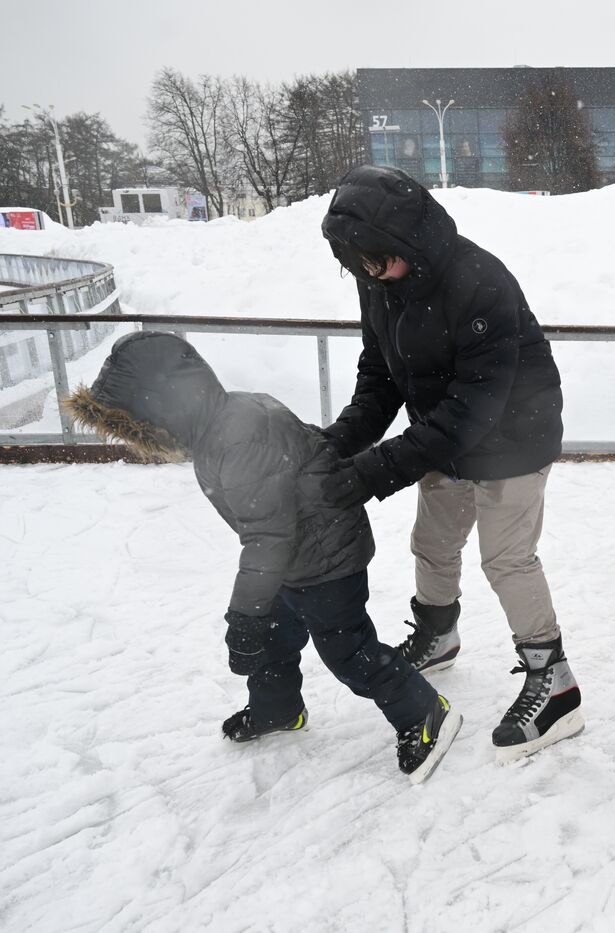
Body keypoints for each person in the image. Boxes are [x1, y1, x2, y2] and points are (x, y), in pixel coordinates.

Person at [63, 332, 460, 783]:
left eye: (136, 421)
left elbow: (266, 536)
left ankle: (424, 712)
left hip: (326, 559)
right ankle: (278, 709)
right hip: (297, 556)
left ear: (161, 408)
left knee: (349, 652)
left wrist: (242, 616)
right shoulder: (229, 417)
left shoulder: (234, 440)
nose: (140, 435)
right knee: (274, 637)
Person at [319, 164, 581, 761]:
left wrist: (372, 472)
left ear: (408, 241)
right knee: (432, 543)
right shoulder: (379, 277)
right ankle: (439, 635)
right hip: (446, 433)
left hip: (516, 433)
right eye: (360, 264)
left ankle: (555, 680)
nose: (371, 274)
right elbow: (380, 373)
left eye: (379, 261)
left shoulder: (478, 280)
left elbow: (473, 410)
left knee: (506, 558)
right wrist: (338, 444)